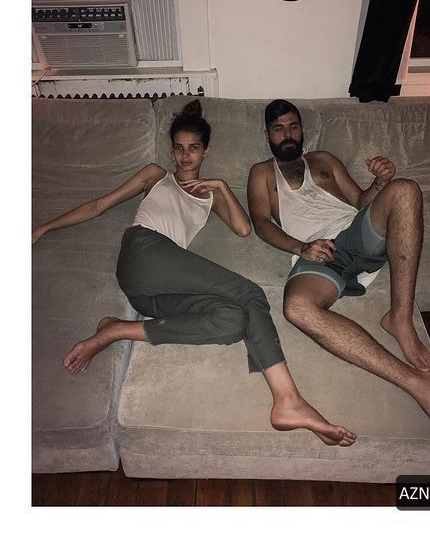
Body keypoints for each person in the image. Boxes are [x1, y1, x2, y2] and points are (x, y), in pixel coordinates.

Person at [32, 99, 355, 447]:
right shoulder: (156, 176)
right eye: (179, 148)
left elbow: (244, 229)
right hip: (144, 251)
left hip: (149, 295)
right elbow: (100, 205)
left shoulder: (210, 195)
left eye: (194, 148)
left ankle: (117, 329)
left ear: (205, 151)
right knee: (250, 294)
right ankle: (288, 400)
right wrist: (43, 228)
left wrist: (221, 187)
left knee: (232, 321)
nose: (185, 156)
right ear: (172, 151)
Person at [247, 99, 430, 448]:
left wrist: (380, 183)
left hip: (357, 232)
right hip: (320, 250)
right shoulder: (261, 172)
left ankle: (400, 317)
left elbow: (361, 202)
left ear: (302, 129)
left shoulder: (324, 159)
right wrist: (302, 247)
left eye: (293, 126)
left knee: (404, 189)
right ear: (268, 134)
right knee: (296, 308)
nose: (287, 134)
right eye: (279, 128)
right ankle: (417, 383)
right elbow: (261, 223)